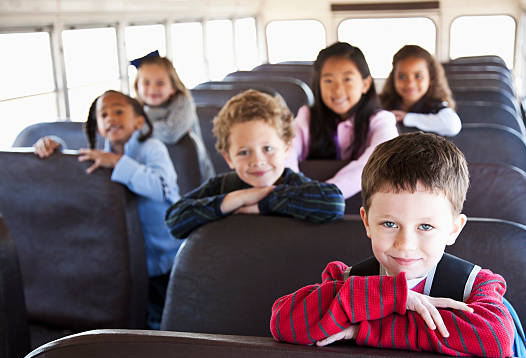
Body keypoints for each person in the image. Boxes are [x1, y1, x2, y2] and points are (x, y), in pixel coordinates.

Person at [270, 132, 514, 358]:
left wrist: (362, 330)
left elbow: (496, 338)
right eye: (389, 224)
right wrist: (393, 296)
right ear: (367, 222)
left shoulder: (475, 287)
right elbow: (284, 324)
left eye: (425, 227)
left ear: (453, 229)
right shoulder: (346, 281)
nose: (405, 244)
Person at [33, 90, 181, 330]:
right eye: (104, 115)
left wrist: (118, 163)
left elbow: (160, 187)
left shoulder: (151, 148)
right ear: (99, 127)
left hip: (164, 254)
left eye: (119, 111)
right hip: (127, 258)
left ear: (139, 121)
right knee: (135, 315)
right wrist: (55, 147)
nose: (111, 117)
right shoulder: (101, 152)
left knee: (162, 316)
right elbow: (79, 161)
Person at [165, 90, 345, 239]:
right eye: (243, 152)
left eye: (267, 149)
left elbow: (334, 203)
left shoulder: (296, 186)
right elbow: (175, 220)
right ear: (228, 158)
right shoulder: (222, 187)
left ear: (287, 148)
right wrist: (237, 199)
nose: (257, 161)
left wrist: (265, 200)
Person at [286, 42, 398, 201]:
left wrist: (319, 196)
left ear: (365, 84)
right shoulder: (306, 117)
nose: (337, 90)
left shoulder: (382, 121)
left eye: (347, 79)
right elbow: (286, 153)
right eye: (328, 81)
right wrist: (292, 188)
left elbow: (375, 162)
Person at [132, 51, 215, 183]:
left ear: (173, 87)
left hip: (192, 167)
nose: (152, 89)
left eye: (160, 83)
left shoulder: (183, 103)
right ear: (137, 86)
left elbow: (170, 133)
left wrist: (137, 127)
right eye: (146, 83)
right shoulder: (135, 108)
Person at [380, 45, 462, 137]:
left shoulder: (436, 107)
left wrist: (407, 118)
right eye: (402, 77)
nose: (410, 84)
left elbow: (453, 126)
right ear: (393, 78)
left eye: (418, 76)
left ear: (431, 78)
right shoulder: (382, 104)